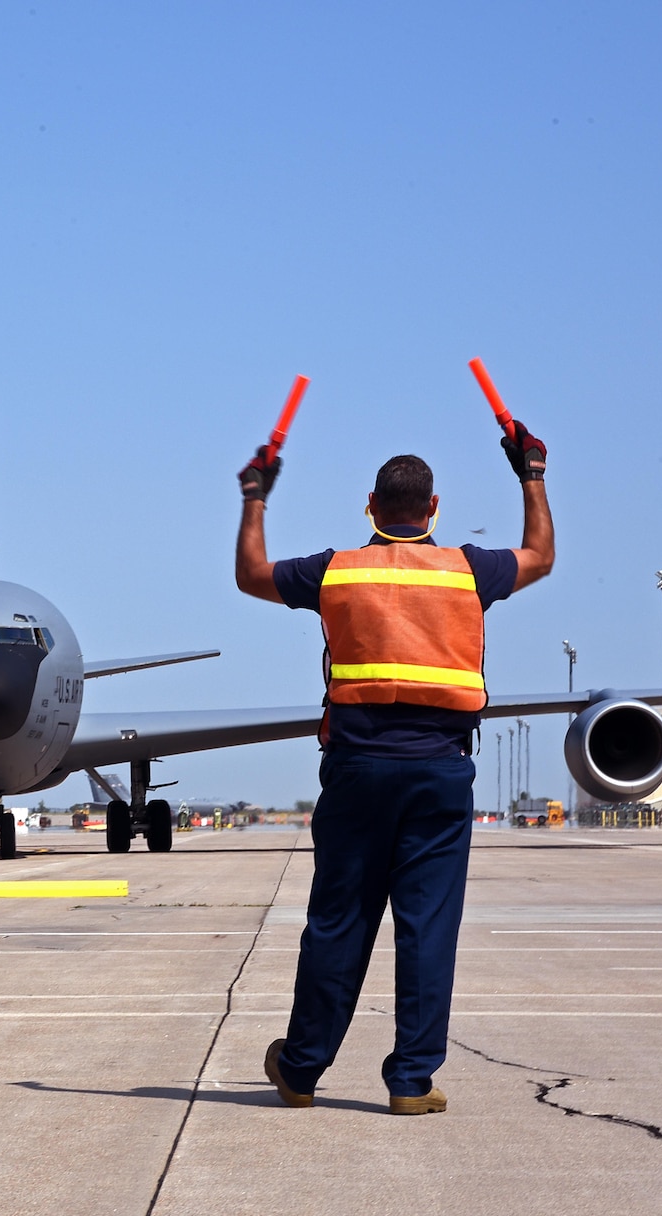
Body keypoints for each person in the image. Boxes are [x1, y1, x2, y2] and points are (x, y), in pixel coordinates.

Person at [232, 416, 554, 1114]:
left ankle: (300, 1068)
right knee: (427, 927)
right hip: (440, 772)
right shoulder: (469, 569)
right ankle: (410, 1080)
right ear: (432, 509)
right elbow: (541, 554)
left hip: (356, 772)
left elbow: (251, 575)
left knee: (338, 922)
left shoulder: (336, 569)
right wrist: (531, 473)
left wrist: (256, 494)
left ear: (371, 508)